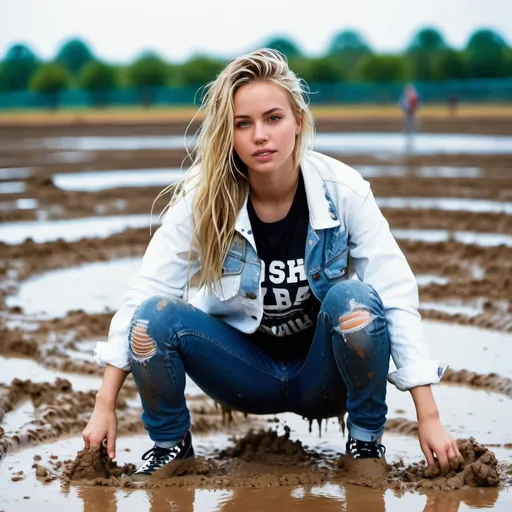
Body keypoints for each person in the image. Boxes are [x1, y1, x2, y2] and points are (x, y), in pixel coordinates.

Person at [82, 49, 461, 481]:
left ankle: (365, 444)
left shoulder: (344, 190)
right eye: (244, 124)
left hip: (323, 377)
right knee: (154, 317)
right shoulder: (203, 199)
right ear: (230, 134)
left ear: (298, 120)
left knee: (355, 299)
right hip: (243, 375)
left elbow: (395, 293)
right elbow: (146, 291)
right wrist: (104, 404)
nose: (260, 135)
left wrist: (427, 414)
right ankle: (171, 447)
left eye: (273, 118)